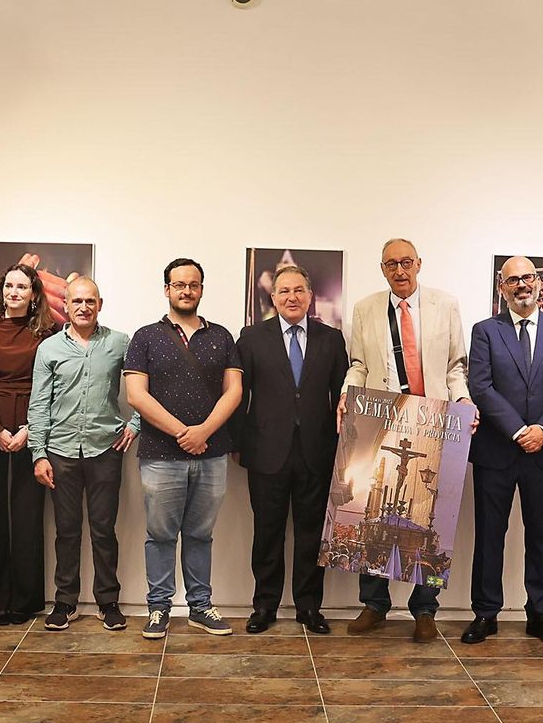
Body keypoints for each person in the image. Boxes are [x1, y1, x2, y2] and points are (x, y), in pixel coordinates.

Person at [342, 238, 472, 644]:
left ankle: (425, 609)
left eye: (406, 263)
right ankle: (375, 603)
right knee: (372, 506)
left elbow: (455, 366)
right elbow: (359, 364)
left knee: (432, 510)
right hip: (382, 415)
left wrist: (464, 400)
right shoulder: (365, 309)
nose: (400, 271)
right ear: (382, 269)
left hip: (434, 419)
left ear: (419, 264)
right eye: (391, 265)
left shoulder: (444, 304)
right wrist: (348, 395)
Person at [461, 258, 543, 646]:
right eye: (513, 280)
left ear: (538, 283)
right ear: (502, 287)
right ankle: (485, 613)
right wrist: (517, 430)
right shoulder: (485, 331)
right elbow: (481, 387)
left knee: (542, 537)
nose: (521, 285)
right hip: (497, 450)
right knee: (490, 535)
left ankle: (540, 614)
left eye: (527, 278)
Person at [124, 258, 242, 640]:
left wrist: (203, 431)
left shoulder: (222, 336)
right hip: (161, 455)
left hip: (211, 453)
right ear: (167, 290)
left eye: (193, 285)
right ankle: (158, 609)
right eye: (179, 285)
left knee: (200, 534)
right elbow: (136, 396)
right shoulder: (145, 337)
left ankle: (200, 606)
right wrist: (182, 433)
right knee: (160, 535)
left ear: (202, 290)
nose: (186, 290)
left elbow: (234, 391)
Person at [231, 264, 348, 635]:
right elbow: (238, 395)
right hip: (266, 452)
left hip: (317, 452)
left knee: (312, 534)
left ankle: (309, 607)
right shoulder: (251, 338)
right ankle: (264, 605)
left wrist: (344, 450)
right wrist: (237, 443)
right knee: (267, 533)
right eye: (284, 291)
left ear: (310, 296)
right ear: (273, 297)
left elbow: (342, 400)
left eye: (299, 290)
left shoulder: (332, 339)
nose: (292, 297)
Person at [30, 277, 140, 632]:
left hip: (105, 449)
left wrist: (136, 423)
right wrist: (38, 454)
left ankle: (108, 601)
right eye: (76, 301)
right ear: (65, 304)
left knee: (104, 530)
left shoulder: (119, 342)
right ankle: (65, 601)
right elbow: (38, 405)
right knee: (66, 530)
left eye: (90, 301)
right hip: (60, 451)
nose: (83, 307)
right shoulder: (49, 348)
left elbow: (149, 382)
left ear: (100, 304)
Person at [0, 264, 58, 625]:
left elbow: (53, 388)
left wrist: (28, 430)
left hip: (31, 430)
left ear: (34, 293)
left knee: (27, 515)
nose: (14, 292)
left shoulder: (50, 333)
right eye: (9, 285)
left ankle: (23, 600)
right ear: (1, 290)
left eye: (22, 286)